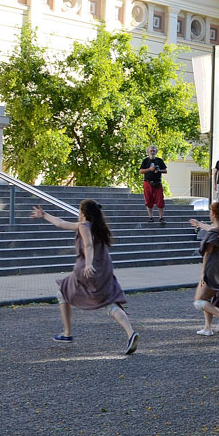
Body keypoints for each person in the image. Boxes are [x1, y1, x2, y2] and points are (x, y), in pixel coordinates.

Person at [33, 201, 139, 354]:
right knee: (109, 302)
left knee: (62, 291)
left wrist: (88, 264)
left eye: (79, 210)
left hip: (88, 271)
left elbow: (87, 244)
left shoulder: (83, 226)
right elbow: (61, 222)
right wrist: (44, 215)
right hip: (105, 270)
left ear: (83, 213)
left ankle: (67, 333)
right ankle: (131, 333)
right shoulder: (99, 228)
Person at [188, 201, 219, 336]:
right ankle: (207, 328)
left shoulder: (213, 235)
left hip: (211, 270)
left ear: (213, 215)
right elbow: (211, 228)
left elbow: (207, 254)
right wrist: (199, 224)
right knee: (207, 299)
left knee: (199, 301)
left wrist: (202, 274)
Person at [139, 145, 167, 225]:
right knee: (148, 200)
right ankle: (150, 217)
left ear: (156, 152)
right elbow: (141, 171)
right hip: (147, 183)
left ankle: (161, 217)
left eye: (154, 150)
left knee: (160, 201)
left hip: (157, 183)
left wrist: (159, 171)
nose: (152, 151)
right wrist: (150, 169)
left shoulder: (159, 160)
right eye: (151, 150)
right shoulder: (145, 161)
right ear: (148, 152)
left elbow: (165, 170)